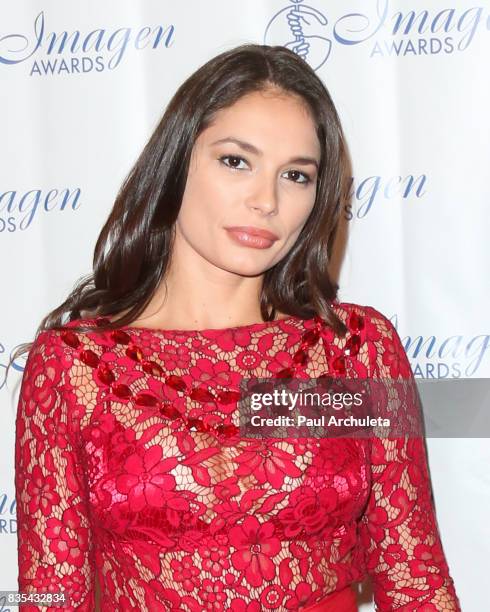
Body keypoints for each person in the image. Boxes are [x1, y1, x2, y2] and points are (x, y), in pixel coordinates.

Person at [11, 44, 460, 611]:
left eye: (296, 175)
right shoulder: (75, 367)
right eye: (235, 161)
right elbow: (51, 599)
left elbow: (416, 579)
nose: (266, 200)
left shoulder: (354, 351)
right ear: (176, 163)